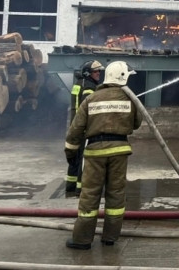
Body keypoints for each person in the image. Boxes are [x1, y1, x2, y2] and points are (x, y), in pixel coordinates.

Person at [64, 60, 143, 250]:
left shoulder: (91, 99)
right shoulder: (130, 99)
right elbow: (136, 123)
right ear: (122, 77)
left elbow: (75, 130)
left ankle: (82, 240)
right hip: (120, 151)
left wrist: (71, 152)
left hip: (95, 152)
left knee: (90, 194)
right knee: (116, 195)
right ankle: (110, 237)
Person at [64, 60, 105, 197]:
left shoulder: (78, 84)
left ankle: (70, 186)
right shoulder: (89, 87)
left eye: (99, 71)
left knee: (74, 158)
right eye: (95, 71)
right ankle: (80, 189)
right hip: (83, 129)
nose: (98, 73)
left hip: (74, 126)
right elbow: (88, 110)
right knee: (83, 159)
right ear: (88, 73)